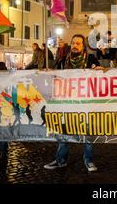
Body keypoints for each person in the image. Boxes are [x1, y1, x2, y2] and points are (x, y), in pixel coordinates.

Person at [44, 34, 101, 172]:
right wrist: (48, 73)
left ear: (83, 46)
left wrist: (99, 71)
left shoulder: (91, 59)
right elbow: (55, 76)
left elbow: (100, 77)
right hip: (66, 103)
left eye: (78, 43)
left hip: (85, 103)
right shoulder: (63, 60)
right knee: (63, 134)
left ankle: (89, 161)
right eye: (73, 43)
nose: (75, 46)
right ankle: (60, 160)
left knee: (87, 134)